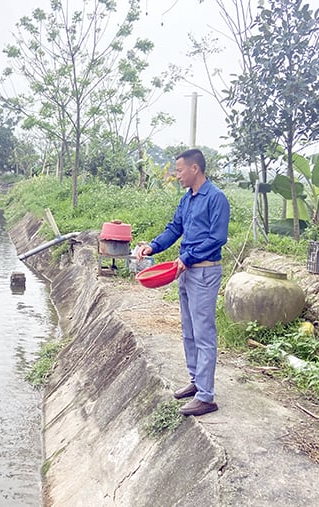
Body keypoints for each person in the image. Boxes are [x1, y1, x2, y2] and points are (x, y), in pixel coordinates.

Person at [136, 148, 230, 416]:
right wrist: (153, 247)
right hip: (185, 270)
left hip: (203, 271)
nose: (176, 175)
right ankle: (195, 382)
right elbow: (174, 228)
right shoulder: (186, 200)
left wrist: (186, 258)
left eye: (179, 170)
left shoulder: (216, 198)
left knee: (203, 333)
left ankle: (207, 396)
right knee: (188, 331)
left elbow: (218, 238)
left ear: (194, 169)